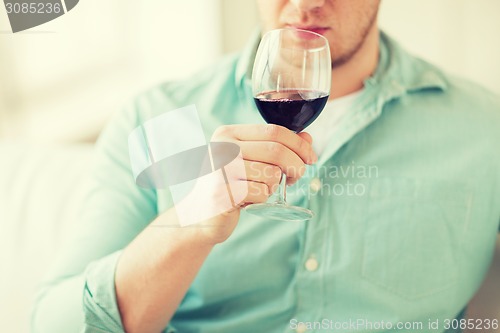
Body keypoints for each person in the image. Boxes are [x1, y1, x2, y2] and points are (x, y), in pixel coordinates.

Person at [32, 1, 500, 332]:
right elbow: (55, 326)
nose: (307, 3)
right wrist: (188, 224)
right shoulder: (155, 119)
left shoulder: (484, 130)